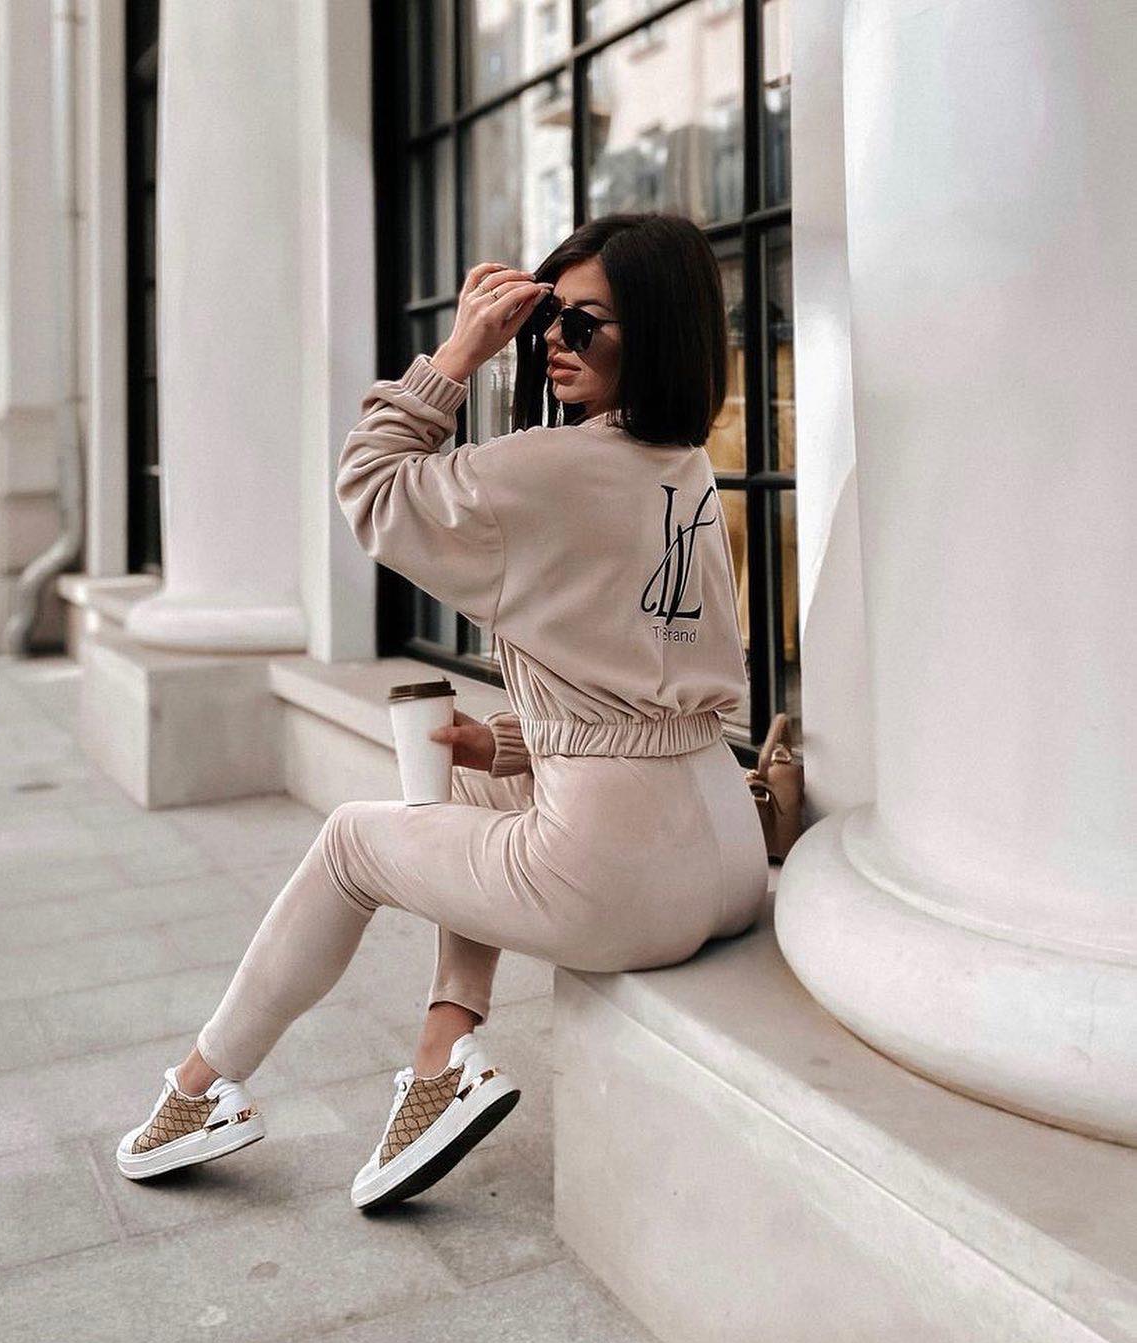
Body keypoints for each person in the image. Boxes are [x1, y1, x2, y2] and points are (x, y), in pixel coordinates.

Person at [114, 211, 769, 1211]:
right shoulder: (682, 469)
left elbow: (370, 488)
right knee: (462, 780)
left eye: (582, 323)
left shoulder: (553, 469)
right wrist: (501, 743)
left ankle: (203, 1087)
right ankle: (439, 1061)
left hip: (624, 883)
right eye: (547, 320)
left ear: (657, 331)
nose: (552, 341)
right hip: (723, 855)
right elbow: (646, 685)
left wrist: (458, 351)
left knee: (350, 840)